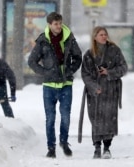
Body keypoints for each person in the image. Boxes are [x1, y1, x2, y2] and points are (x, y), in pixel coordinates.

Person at [28, 12, 82, 158]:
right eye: (55, 24)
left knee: (65, 116)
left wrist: (70, 70)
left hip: (66, 84)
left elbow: (78, 57)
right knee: (50, 118)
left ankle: (64, 142)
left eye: (60, 23)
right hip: (49, 86)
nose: (58, 26)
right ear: (49, 25)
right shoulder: (43, 40)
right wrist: (45, 72)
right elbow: (32, 61)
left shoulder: (69, 38)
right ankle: (51, 147)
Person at [80, 26, 128, 159]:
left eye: (105, 34)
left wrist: (109, 72)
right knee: (95, 119)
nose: (104, 37)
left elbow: (124, 67)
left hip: (111, 90)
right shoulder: (89, 54)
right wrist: (94, 87)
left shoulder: (115, 50)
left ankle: (107, 147)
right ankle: (97, 147)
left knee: (109, 119)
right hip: (95, 93)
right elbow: (85, 74)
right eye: (101, 34)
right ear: (95, 37)